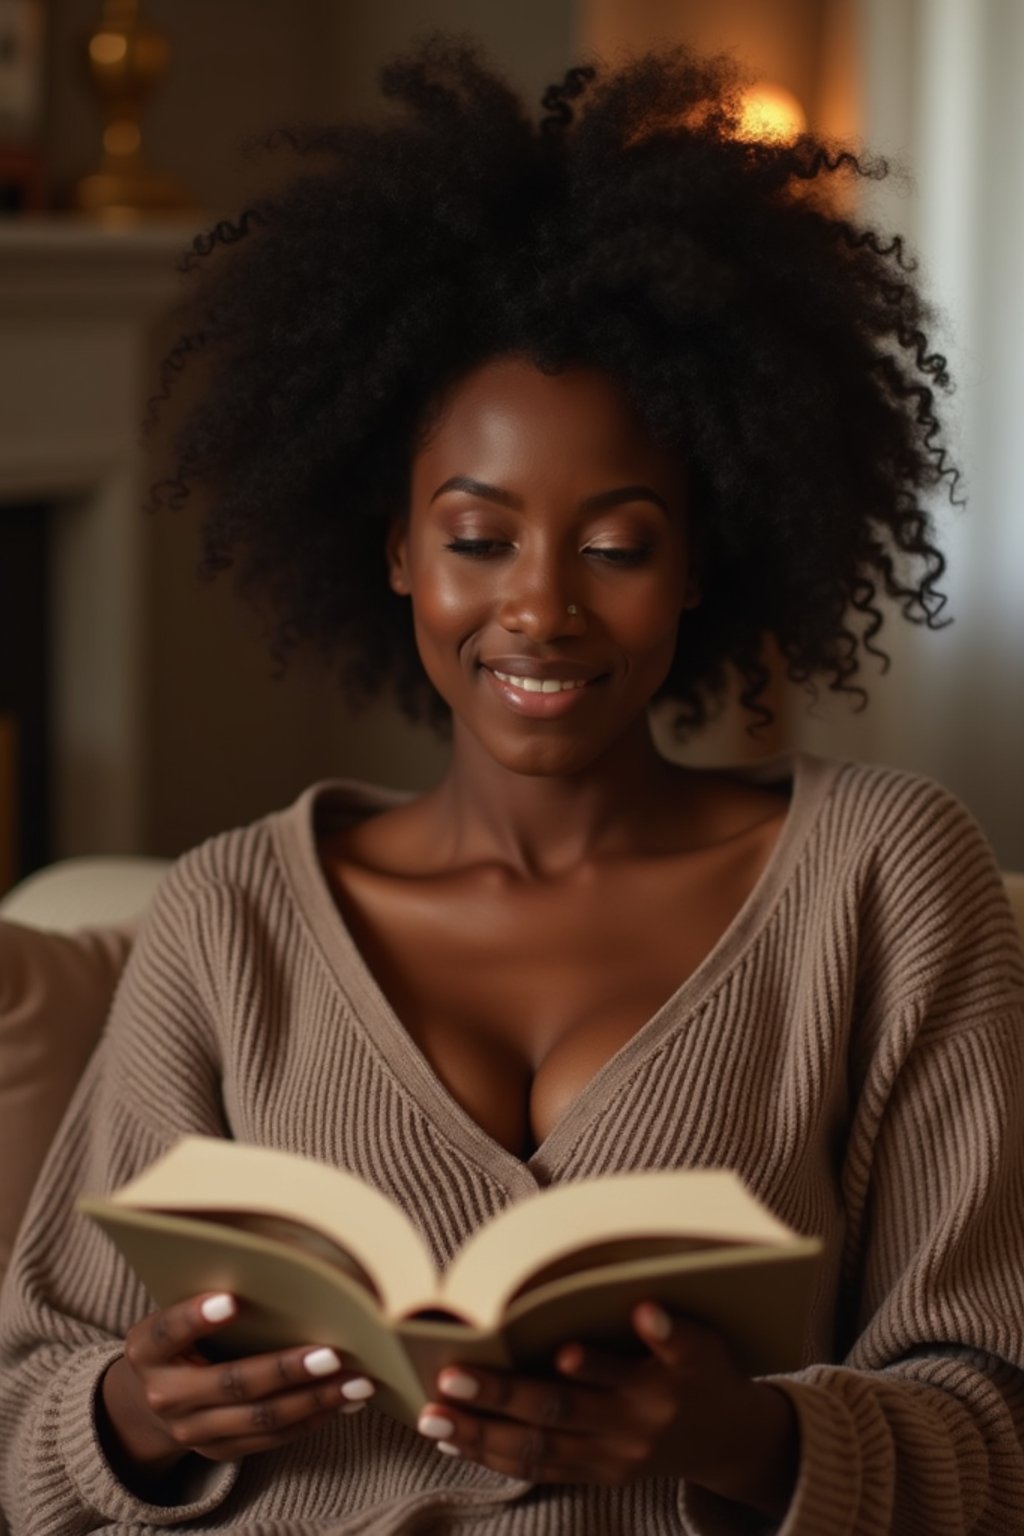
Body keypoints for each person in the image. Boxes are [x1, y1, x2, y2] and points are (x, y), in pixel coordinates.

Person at [1, 35, 1022, 1536]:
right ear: (398, 549)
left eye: (615, 546)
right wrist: (139, 1414)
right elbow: (28, 1412)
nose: (540, 609)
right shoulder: (230, 915)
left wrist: (742, 1438)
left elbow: (995, 1421)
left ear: (700, 565)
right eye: (480, 539)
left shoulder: (882, 878)